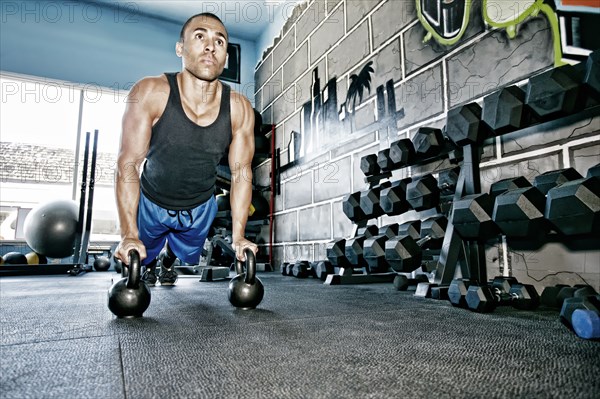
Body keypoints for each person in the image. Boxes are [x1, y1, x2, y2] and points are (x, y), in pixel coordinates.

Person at [114, 12, 257, 285]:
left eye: (219, 42)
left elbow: (241, 173)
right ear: (180, 48)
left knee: (184, 254)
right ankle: (152, 261)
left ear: (226, 58)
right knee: (142, 251)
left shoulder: (239, 108)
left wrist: (239, 236)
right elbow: (128, 163)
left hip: (200, 207)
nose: (210, 47)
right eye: (200, 36)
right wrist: (128, 233)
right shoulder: (150, 92)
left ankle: (168, 261)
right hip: (151, 200)